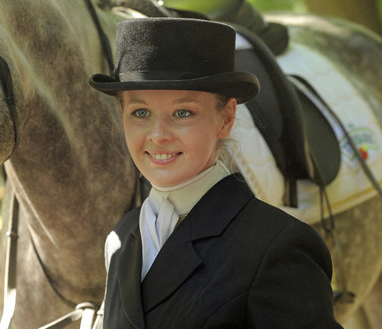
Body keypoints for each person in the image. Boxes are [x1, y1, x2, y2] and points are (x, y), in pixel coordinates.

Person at [88, 18, 342, 328]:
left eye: (183, 112)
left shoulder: (278, 247)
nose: (158, 135)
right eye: (140, 113)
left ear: (226, 118)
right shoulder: (121, 238)